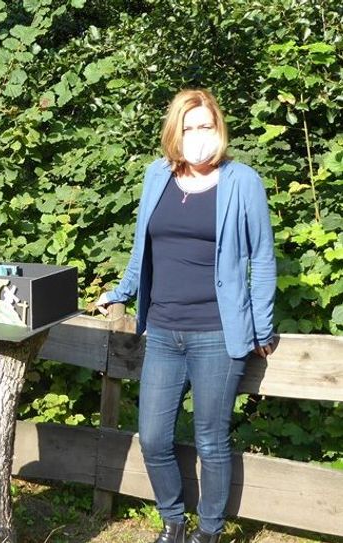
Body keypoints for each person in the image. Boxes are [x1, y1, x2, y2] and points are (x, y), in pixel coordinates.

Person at [96, 89, 276, 543]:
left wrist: (262, 325)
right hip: (161, 329)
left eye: (206, 126)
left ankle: (210, 531)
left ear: (219, 129)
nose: (198, 135)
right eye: (189, 127)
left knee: (212, 440)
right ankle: (173, 522)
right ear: (175, 132)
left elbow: (262, 258)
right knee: (153, 437)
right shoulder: (157, 176)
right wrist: (121, 291)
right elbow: (144, 249)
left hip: (218, 332)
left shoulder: (242, 181)